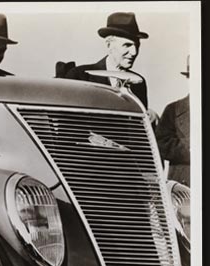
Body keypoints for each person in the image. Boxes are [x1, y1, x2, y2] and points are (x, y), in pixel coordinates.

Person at [63, 12, 149, 108]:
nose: (134, 52)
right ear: (109, 45)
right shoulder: (80, 76)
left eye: (137, 46)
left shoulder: (138, 82)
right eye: (127, 45)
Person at [155, 56, 190, 186]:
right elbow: (162, 143)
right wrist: (192, 148)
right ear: (188, 79)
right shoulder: (173, 109)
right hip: (184, 188)